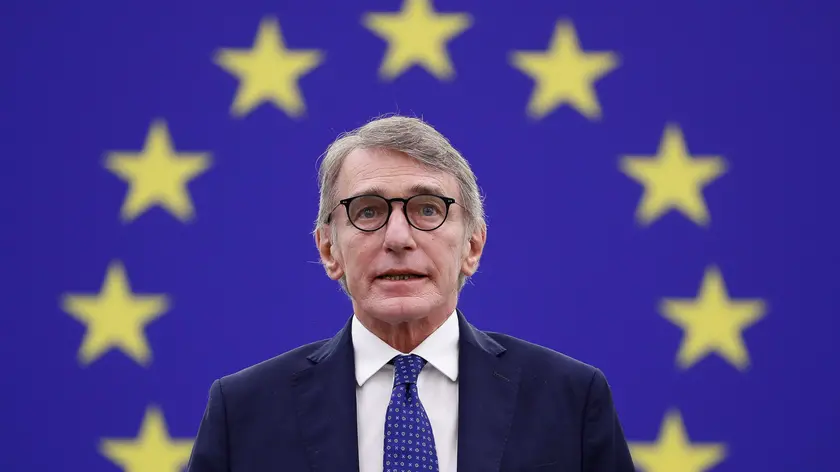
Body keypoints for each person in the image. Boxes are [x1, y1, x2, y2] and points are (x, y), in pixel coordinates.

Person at [186, 115, 635, 472]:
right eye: (368, 211)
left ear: (472, 246)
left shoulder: (571, 399)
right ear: (328, 250)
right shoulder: (243, 412)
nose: (398, 238)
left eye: (427, 209)